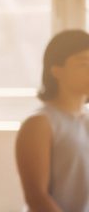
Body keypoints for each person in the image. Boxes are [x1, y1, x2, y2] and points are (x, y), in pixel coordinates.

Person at [16, 30, 89, 212]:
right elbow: (37, 197)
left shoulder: (85, 119)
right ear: (57, 71)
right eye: (84, 64)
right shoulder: (39, 124)